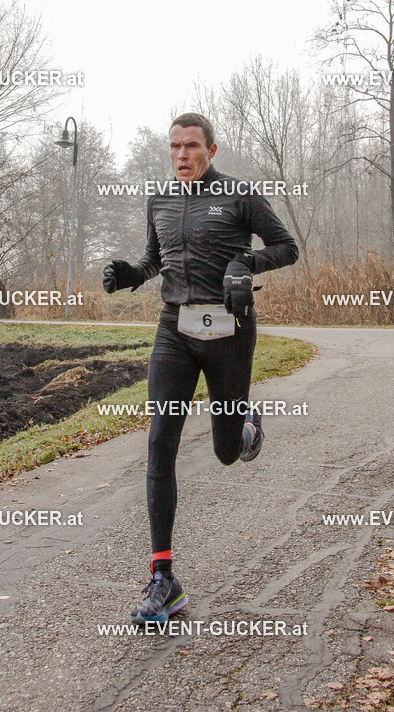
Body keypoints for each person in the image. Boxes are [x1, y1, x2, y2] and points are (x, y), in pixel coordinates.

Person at [102, 113, 299, 624]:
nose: (182, 155)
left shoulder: (238, 194)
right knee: (160, 440)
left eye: (191, 146)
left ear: (212, 150)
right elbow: (155, 260)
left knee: (225, 452)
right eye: (174, 147)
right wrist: (131, 274)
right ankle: (163, 578)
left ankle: (245, 428)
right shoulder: (160, 200)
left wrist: (244, 265)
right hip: (175, 329)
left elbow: (286, 247)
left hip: (229, 329)